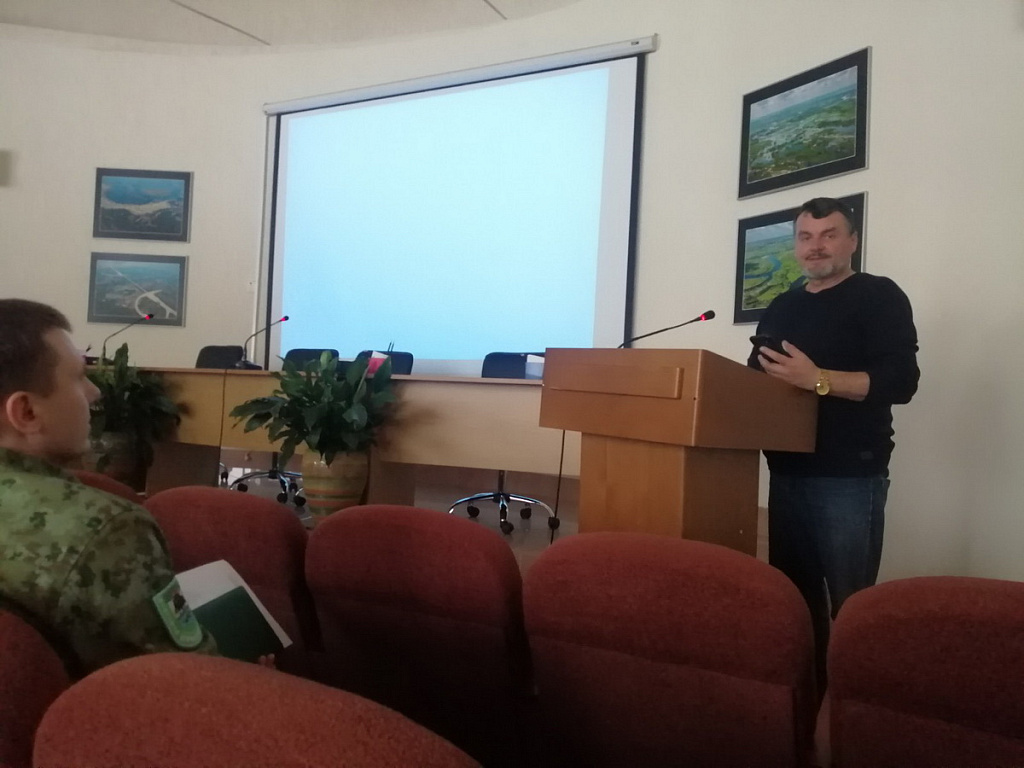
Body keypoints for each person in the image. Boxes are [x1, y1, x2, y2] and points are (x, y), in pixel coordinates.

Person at [747, 198, 919, 691]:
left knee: (851, 606)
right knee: (795, 605)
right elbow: (755, 377)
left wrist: (817, 379)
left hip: (849, 476)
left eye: (829, 235)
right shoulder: (783, 305)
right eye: (806, 237)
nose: (816, 246)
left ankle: (854, 702)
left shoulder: (879, 296)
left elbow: (901, 381)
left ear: (852, 241)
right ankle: (806, 699)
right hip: (786, 473)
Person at [0, 298, 218, 678]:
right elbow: (192, 678)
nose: (94, 393)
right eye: (78, 377)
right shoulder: (109, 529)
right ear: (27, 413)